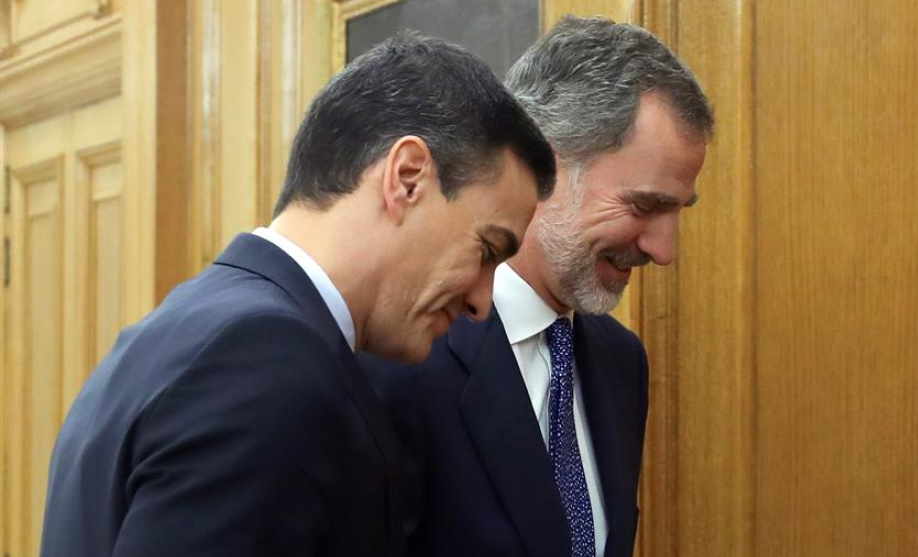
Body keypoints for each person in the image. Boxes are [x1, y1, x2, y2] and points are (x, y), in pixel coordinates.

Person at [40, 33, 555, 557]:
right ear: (406, 178)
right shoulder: (267, 362)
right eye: (487, 250)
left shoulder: (184, 330)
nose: (482, 302)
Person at [362, 16, 714, 557]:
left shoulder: (622, 363)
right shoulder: (401, 351)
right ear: (543, 165)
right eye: (645, 206)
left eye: (677, 212)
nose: (663, 250)